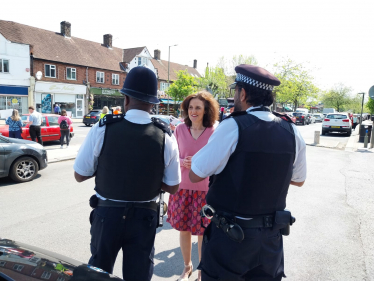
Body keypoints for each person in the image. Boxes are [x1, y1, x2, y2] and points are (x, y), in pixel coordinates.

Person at [189, 64, 307, 281]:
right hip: (270, 240)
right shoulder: (291, 130)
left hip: (231, 241)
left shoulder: (233, 127)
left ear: (242, 93)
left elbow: (195, 174)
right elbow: (298, 180)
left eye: (235, 91)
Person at [73, 66, 181, 281]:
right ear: (153, 102)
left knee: (98, 275)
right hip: (144, 218)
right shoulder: (165, 135)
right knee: (139, 275)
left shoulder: (103, 127)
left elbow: (80, 174)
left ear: (126, 98)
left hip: (107, 216)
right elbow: (173, 186)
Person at [167, 91, 219, 281]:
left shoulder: (214, 131)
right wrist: (183, 161)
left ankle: (201, 271)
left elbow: (218, 160)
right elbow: (172, 157)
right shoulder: (180, 129)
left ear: (206, 110)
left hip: (205, 190)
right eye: (190, 107)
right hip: (182, 188)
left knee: (203, 233)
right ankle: (187, 266)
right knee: (184, 229)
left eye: (198, 107)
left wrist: (198, 163)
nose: (193, 111)